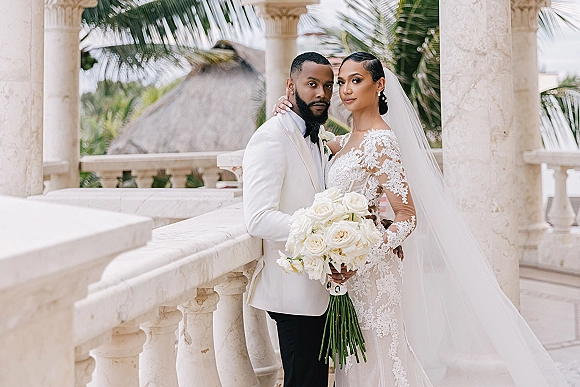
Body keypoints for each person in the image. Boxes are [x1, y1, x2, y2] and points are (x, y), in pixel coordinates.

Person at [274, 52, 568, 386]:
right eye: (341, 82)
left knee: (379, 356)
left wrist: (364, 254)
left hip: (371, 271)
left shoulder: (381, 141)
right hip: (346, 273)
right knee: (356, 362)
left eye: (356, 80)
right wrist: (284, 109)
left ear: (379, 84)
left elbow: (406, 216)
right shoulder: (344, 139)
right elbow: (313, 143)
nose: (345, 90)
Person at [243, 52, 337, 387]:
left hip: (320, 289)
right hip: (293, 292)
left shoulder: (318, 137)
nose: (321, 93)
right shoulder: (271, 138)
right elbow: (258, 218)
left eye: (327, 86)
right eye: (311, 84)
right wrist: (324, 231)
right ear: (290, 85)